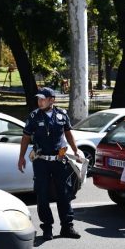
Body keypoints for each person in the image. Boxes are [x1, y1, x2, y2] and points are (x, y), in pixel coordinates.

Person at [18, 87, 82, 240]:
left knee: (64, 193)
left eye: (43, 99)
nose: (39, 101)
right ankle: (47, 228)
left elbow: (68, 133)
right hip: (41, 161)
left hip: (60, 161)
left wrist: (76, 150)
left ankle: (67, 227)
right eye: (38, 99)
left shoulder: (62, 114)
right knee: (43, 194)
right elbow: (26, 137)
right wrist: (21, 157)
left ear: (51, 99)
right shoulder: (34, 116)